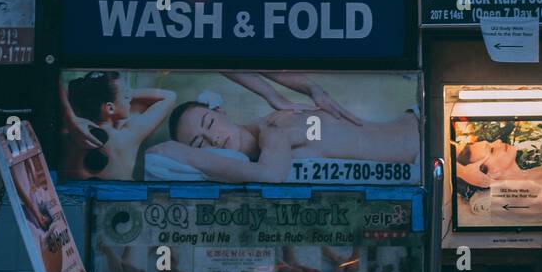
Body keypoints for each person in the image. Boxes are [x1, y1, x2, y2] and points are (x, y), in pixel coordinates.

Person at [155, 91, 418, 184]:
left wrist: (189, 153)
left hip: (421, 135)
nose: (213, 140)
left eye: (210, 123)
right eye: (200, 143)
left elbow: (271, 175)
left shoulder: (274, 127)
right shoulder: (263, 142)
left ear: (221, 112)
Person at [60, 72, 177, 179]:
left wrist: (115, 93)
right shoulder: (127, 136)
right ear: (110, 108)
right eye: (126, 96)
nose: (130, 98)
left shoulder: (67, 135)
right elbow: (169, 96)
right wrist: (128, 91)